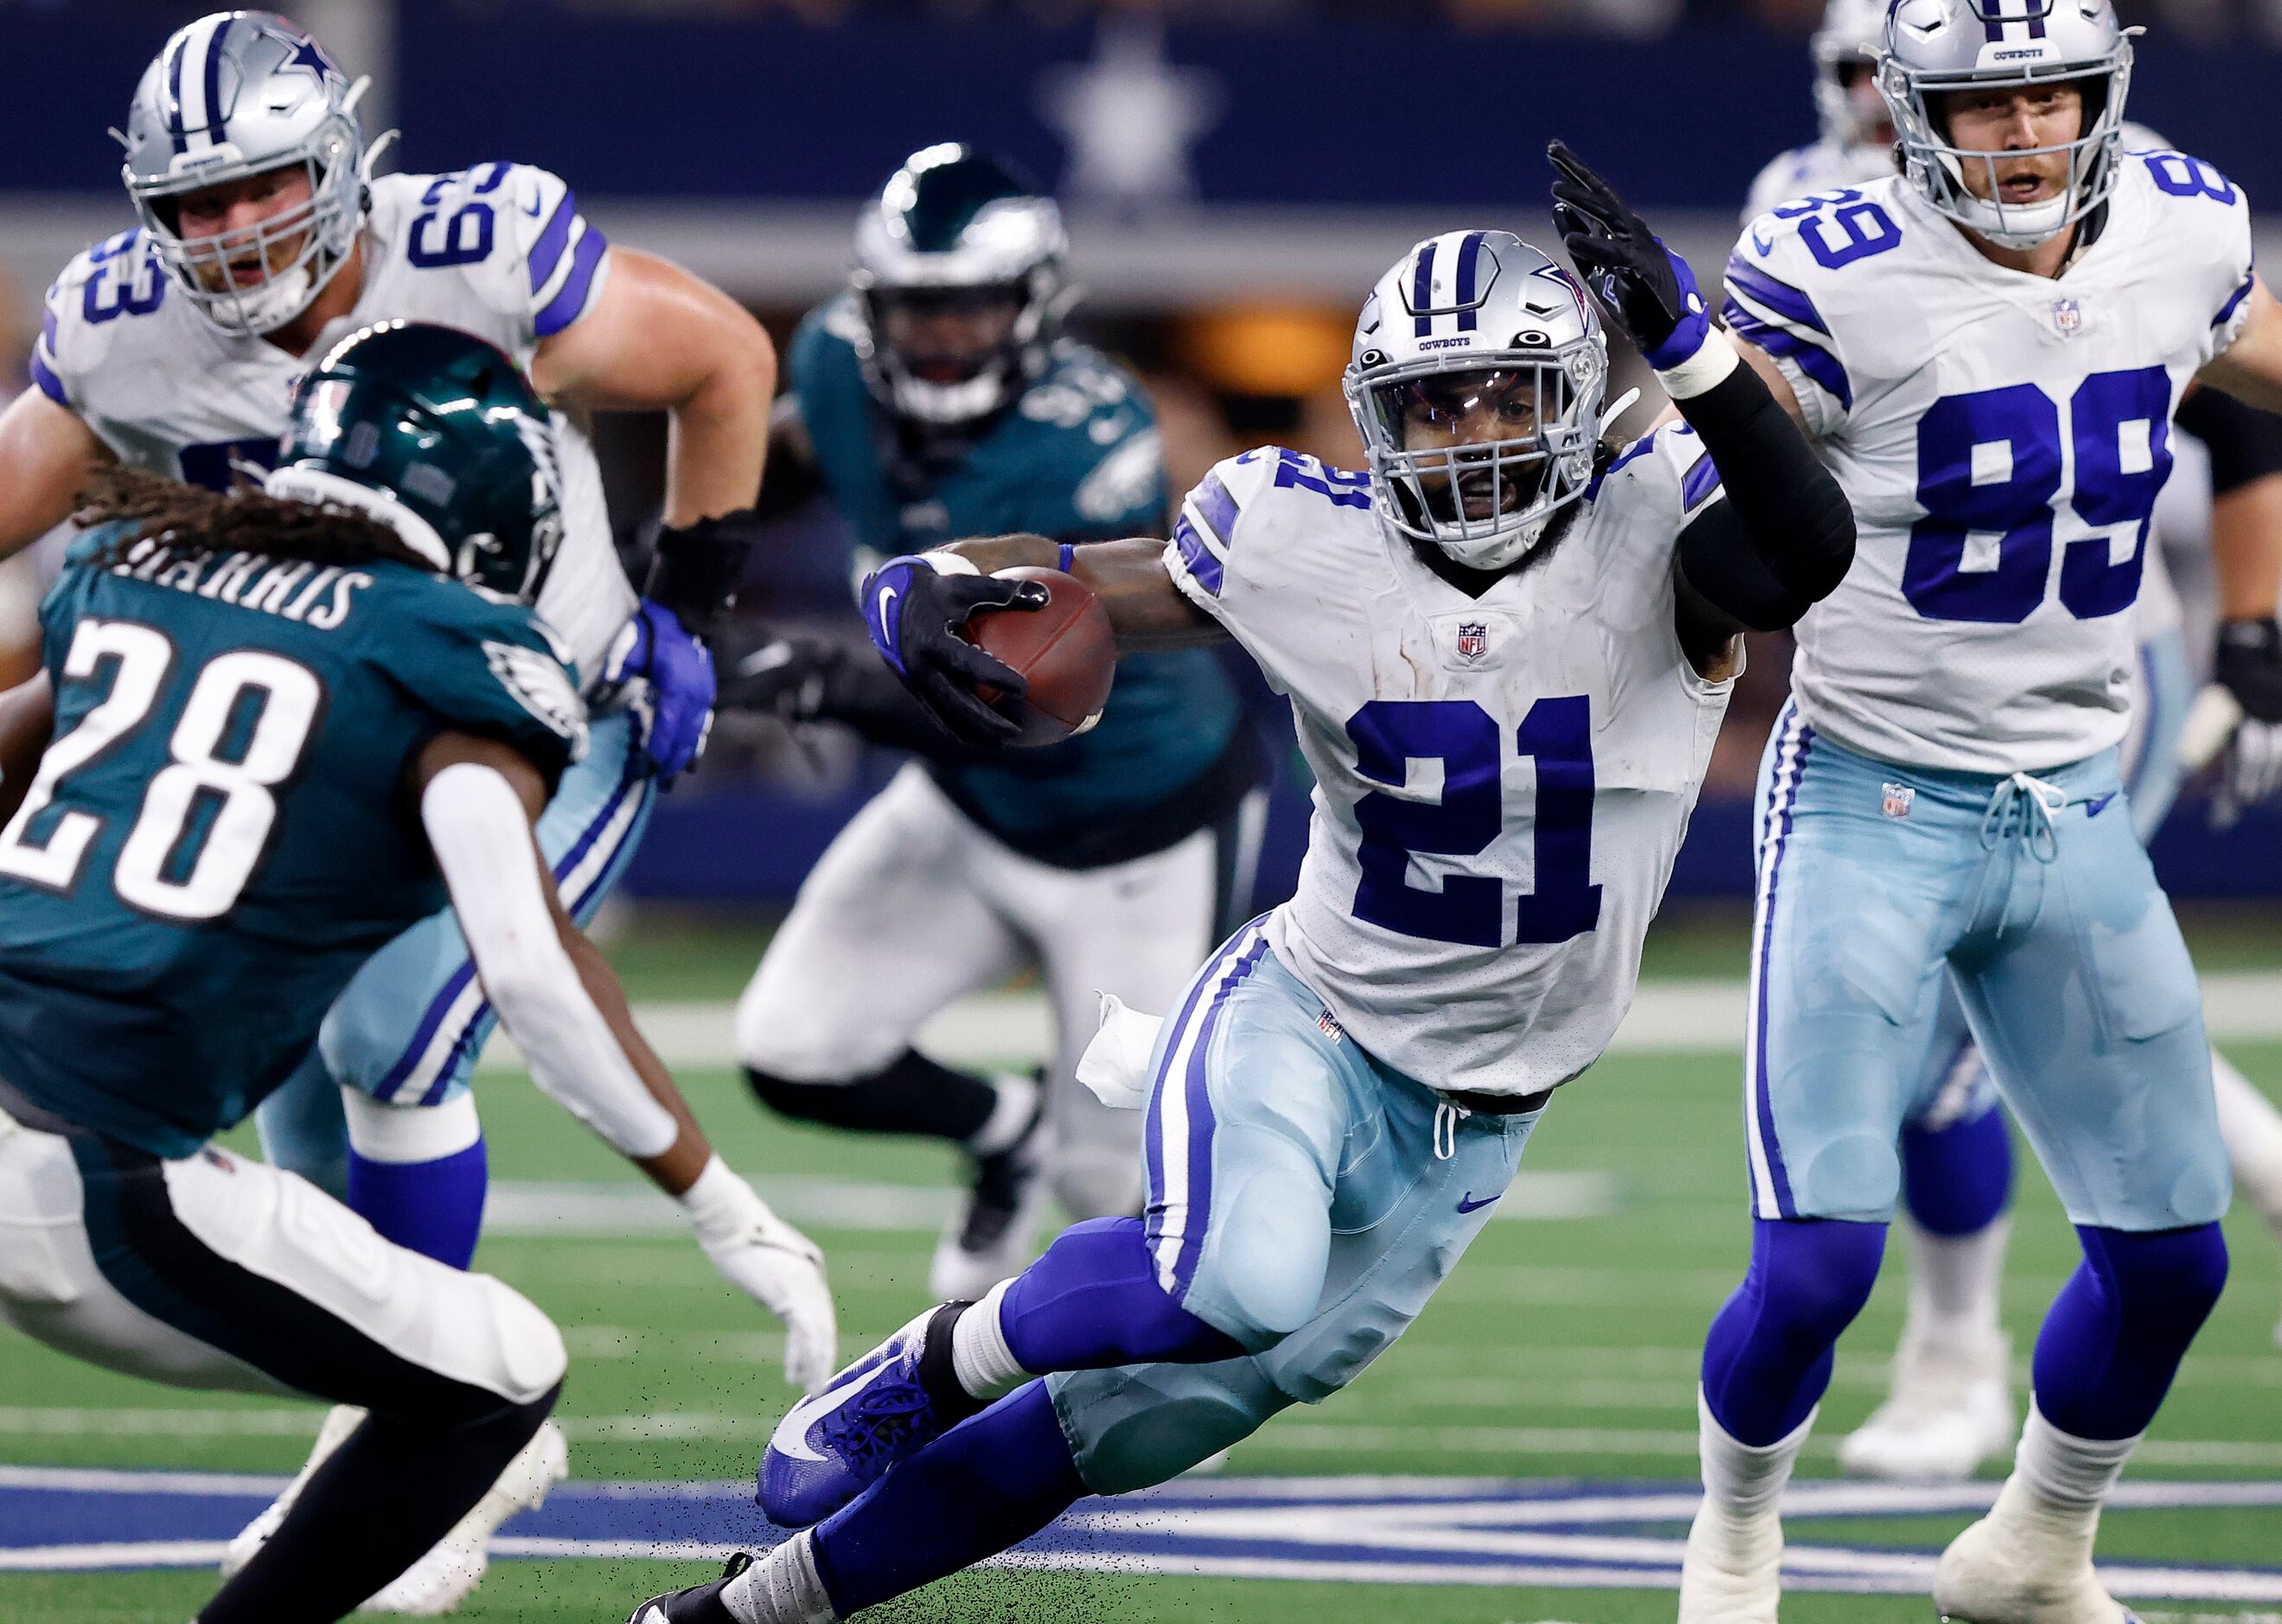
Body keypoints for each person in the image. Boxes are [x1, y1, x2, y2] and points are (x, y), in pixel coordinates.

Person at [625, 158, 1857, 1623]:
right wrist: (934, 576)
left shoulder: (1661, 538)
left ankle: (745, 1613)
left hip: (1488, 1111)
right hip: (1310, 1019)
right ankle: (928, 1361)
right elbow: (1081, 576)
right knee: (1243, 1277)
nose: (1469, 439)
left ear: (1579, 404)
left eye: (1505, 398)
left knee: (1129, 1428)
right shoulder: (1301, 538)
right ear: (1374, 418)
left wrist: (1694, 351)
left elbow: (1806, 546)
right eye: (1433, 405)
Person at [0, 13, 779, 1605]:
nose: (231, 231)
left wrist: (687, 597)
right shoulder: (126, 335)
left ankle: (436, 1435)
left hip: (536, 702)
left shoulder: (479, 256)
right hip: (329, 736)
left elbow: (724, 359)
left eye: (262, 185)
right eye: (194, 204)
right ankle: (421, 1404)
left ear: (344, 163)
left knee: (388, 1044)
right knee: (296, 1079)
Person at [1684, 0, 2282, 1615]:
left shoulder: (2181, 224)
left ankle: (2034, 1544)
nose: (2022, 134)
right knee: (1814, 1265)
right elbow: (1707, 482)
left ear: (2105, 93)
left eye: (2051, 97)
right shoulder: (1830, 261)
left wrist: (2255, 628)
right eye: (1984, 104)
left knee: (2174, 1261)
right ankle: (1735, 1538)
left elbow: (2262, 364)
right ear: (1905, 110)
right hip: (1874, 793)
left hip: (2077, 795)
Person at [725, 144, 1263, 1299]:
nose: (942, 338)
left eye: (972, 308)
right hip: (970, 814)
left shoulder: (1089, 433)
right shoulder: (832, 359)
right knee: (793, 1048)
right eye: (919, 309)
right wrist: (686, 564)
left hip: (1136, 824)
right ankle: (1004, 1127)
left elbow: (1026, 699)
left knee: (1106, 1184)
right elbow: (791, 448)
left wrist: (808, 677)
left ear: (1036, 302)